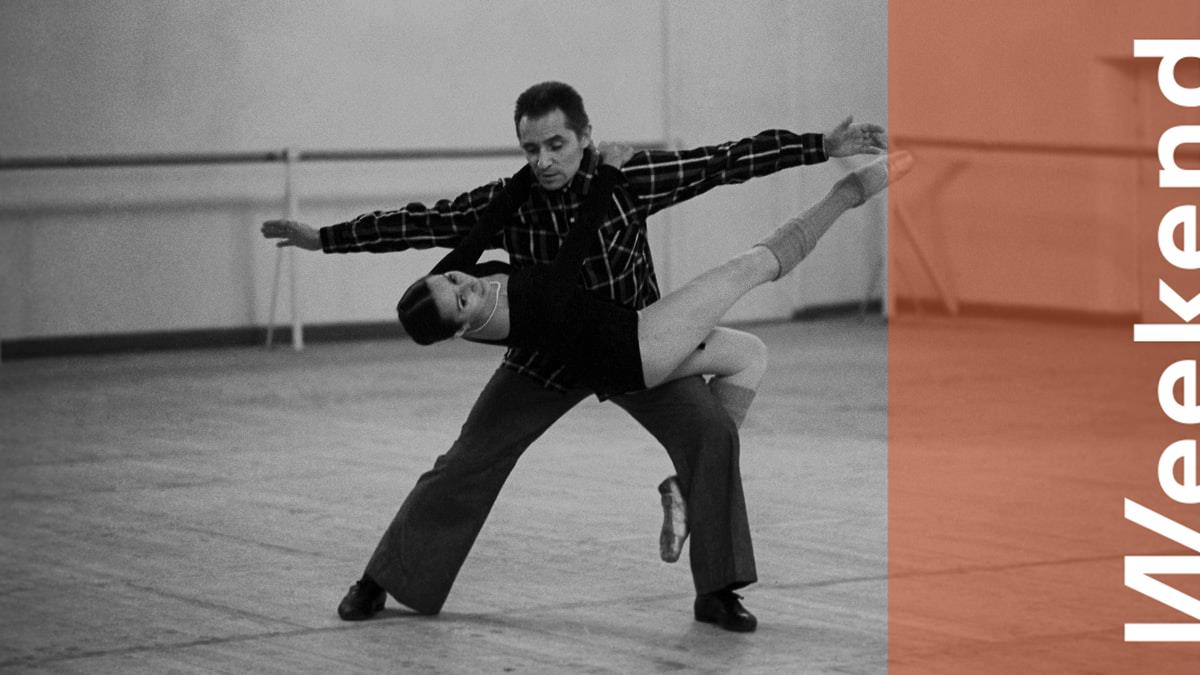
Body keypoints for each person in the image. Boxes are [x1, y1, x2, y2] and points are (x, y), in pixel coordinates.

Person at [261, 81, 887, 632]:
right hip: (546, 362)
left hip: (632, 347)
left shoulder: (628, 181)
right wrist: (325, 239)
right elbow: (422, 223)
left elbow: (722, 162)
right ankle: (383, 580)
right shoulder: (511, 201)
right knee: (467, 461)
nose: (544, 160)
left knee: (712, 433)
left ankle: (717, 591)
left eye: (556, 145)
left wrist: (818, 146)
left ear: (586, 137)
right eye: (531, 148)